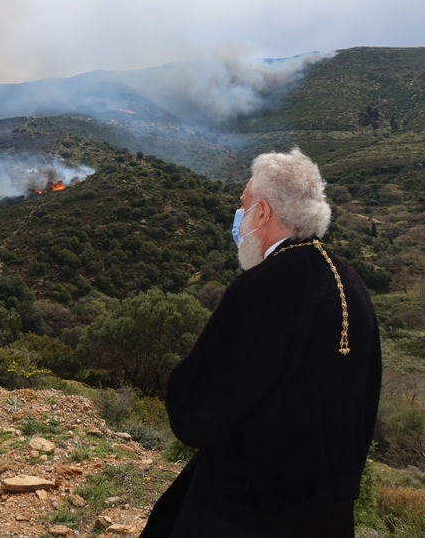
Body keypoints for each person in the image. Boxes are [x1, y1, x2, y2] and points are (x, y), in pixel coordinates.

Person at [140, 148, 382, 538]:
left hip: (249, 510)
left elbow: (195, 416)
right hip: (326, 510)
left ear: (264, 213)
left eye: (244, 206)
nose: (240, 217)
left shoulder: (263, 287)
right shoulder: (349, 281)